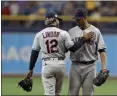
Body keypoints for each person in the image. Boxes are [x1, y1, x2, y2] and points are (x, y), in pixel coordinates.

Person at [24, 12, 93, 96]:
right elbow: (73, 48)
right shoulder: (63, 33)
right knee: (57, 93)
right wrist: (83, 39)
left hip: (47, 65)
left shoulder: (39, 34)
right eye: (58, 20)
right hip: (61, 65)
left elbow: (34, 53)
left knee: (49, 94)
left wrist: (30, 69)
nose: (59, 22)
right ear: (54, 21)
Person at [68, 8, 108, 96]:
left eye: (78, 19)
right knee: (72, 94)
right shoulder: (71, 31)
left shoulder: (95, 31)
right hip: (75, 66)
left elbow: (102, 51)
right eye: (76, 19)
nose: (77, 21)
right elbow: (69, 48)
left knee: (88, 94)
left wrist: (104, 68)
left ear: (85, 17)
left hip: (90, 66)